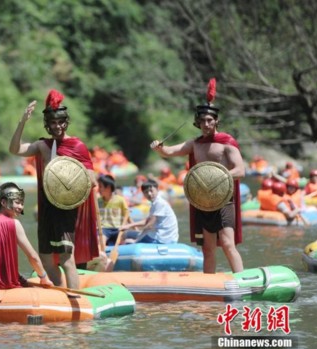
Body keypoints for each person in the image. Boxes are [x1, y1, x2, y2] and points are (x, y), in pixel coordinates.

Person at [150, 78, 244, 274]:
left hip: (224, 200)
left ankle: (241, 278)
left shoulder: (227, 142)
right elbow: (169, 152)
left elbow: (240, 170)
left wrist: (219, 178)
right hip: (203, 201)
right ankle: (209, 283)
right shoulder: (195, 143)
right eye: (202, 121)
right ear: (197, 122)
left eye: (210, 120)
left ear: (216, 121)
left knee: (227, 243)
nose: (206, 124)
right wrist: (159, 148)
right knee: (207, 249)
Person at [8, 89, 99, 289]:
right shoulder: (42, 146)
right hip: (47, 207)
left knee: (66, 258)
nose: (57, 126)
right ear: (47, 125)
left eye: (60, 122)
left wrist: (70, 180)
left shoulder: (78, 146)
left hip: (66, 208)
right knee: (46, 259)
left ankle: (75, 297)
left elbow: (91, 180)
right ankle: (61, 292)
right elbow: (14, 149)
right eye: (53, 123)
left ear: (66, 122)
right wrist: (22, 122)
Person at [0, 182, 53, 289]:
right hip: (2, 284)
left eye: (22, 203)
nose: (21, 207)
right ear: (3, 202)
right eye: (17, 202)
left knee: (23, 279)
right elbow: (33, 256)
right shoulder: (14, 224)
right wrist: (44, 278)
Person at [121, 180, 179, 244]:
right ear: (143, 194)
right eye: (146, 192)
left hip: (163, 239)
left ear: (157, 190)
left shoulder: (159, 203)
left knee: (127, 239)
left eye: (151, 191)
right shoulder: (155, 203)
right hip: (161, 235)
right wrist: (129, 225)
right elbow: (146, 221)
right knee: (127, 234)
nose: (149, 194)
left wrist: (136, 240)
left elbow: (149, 226)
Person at [97, 174, 130, 246]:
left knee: (122, 241)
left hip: (118, 228)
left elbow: (127, 215)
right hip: (104, 229)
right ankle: (101, 251)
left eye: (100, 187)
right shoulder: (98, 201)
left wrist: (134, 227)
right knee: (100, 241)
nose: (98, 189)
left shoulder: (120, 200)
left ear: (108, 188)